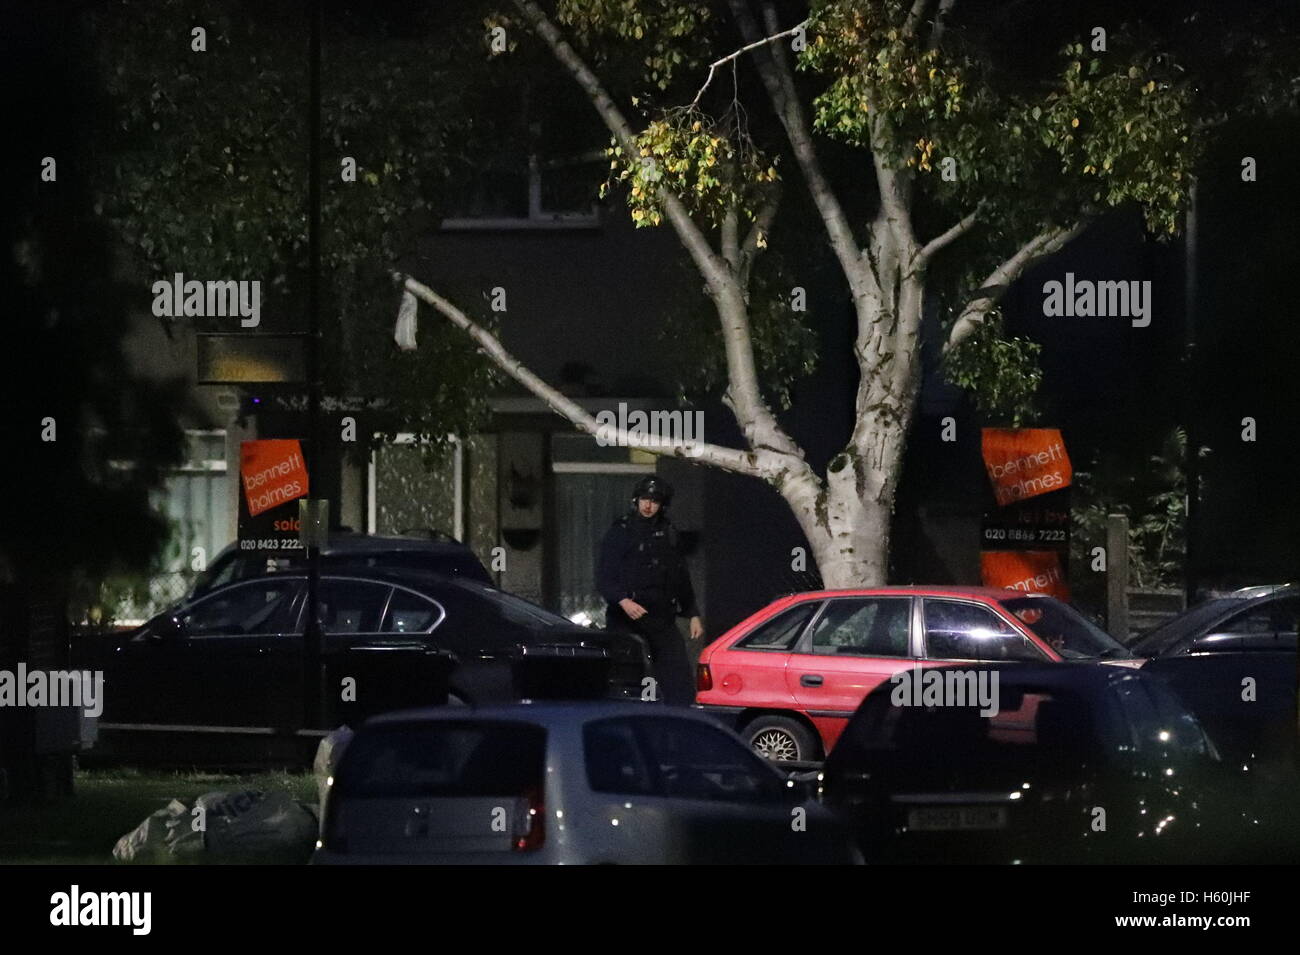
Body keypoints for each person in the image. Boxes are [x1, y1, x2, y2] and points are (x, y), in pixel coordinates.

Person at [596, 475, 703, 705]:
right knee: (629, 677)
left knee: (678, 678)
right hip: (627, 618)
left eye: (654, 501)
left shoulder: (668, 533)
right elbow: (605, 577)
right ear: (636, 500)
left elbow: (680, 576)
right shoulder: (621, 531)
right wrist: (623, 600)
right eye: (645, 499)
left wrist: (692, 613)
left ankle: (679, 718)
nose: (648, 506)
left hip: (660, 617)